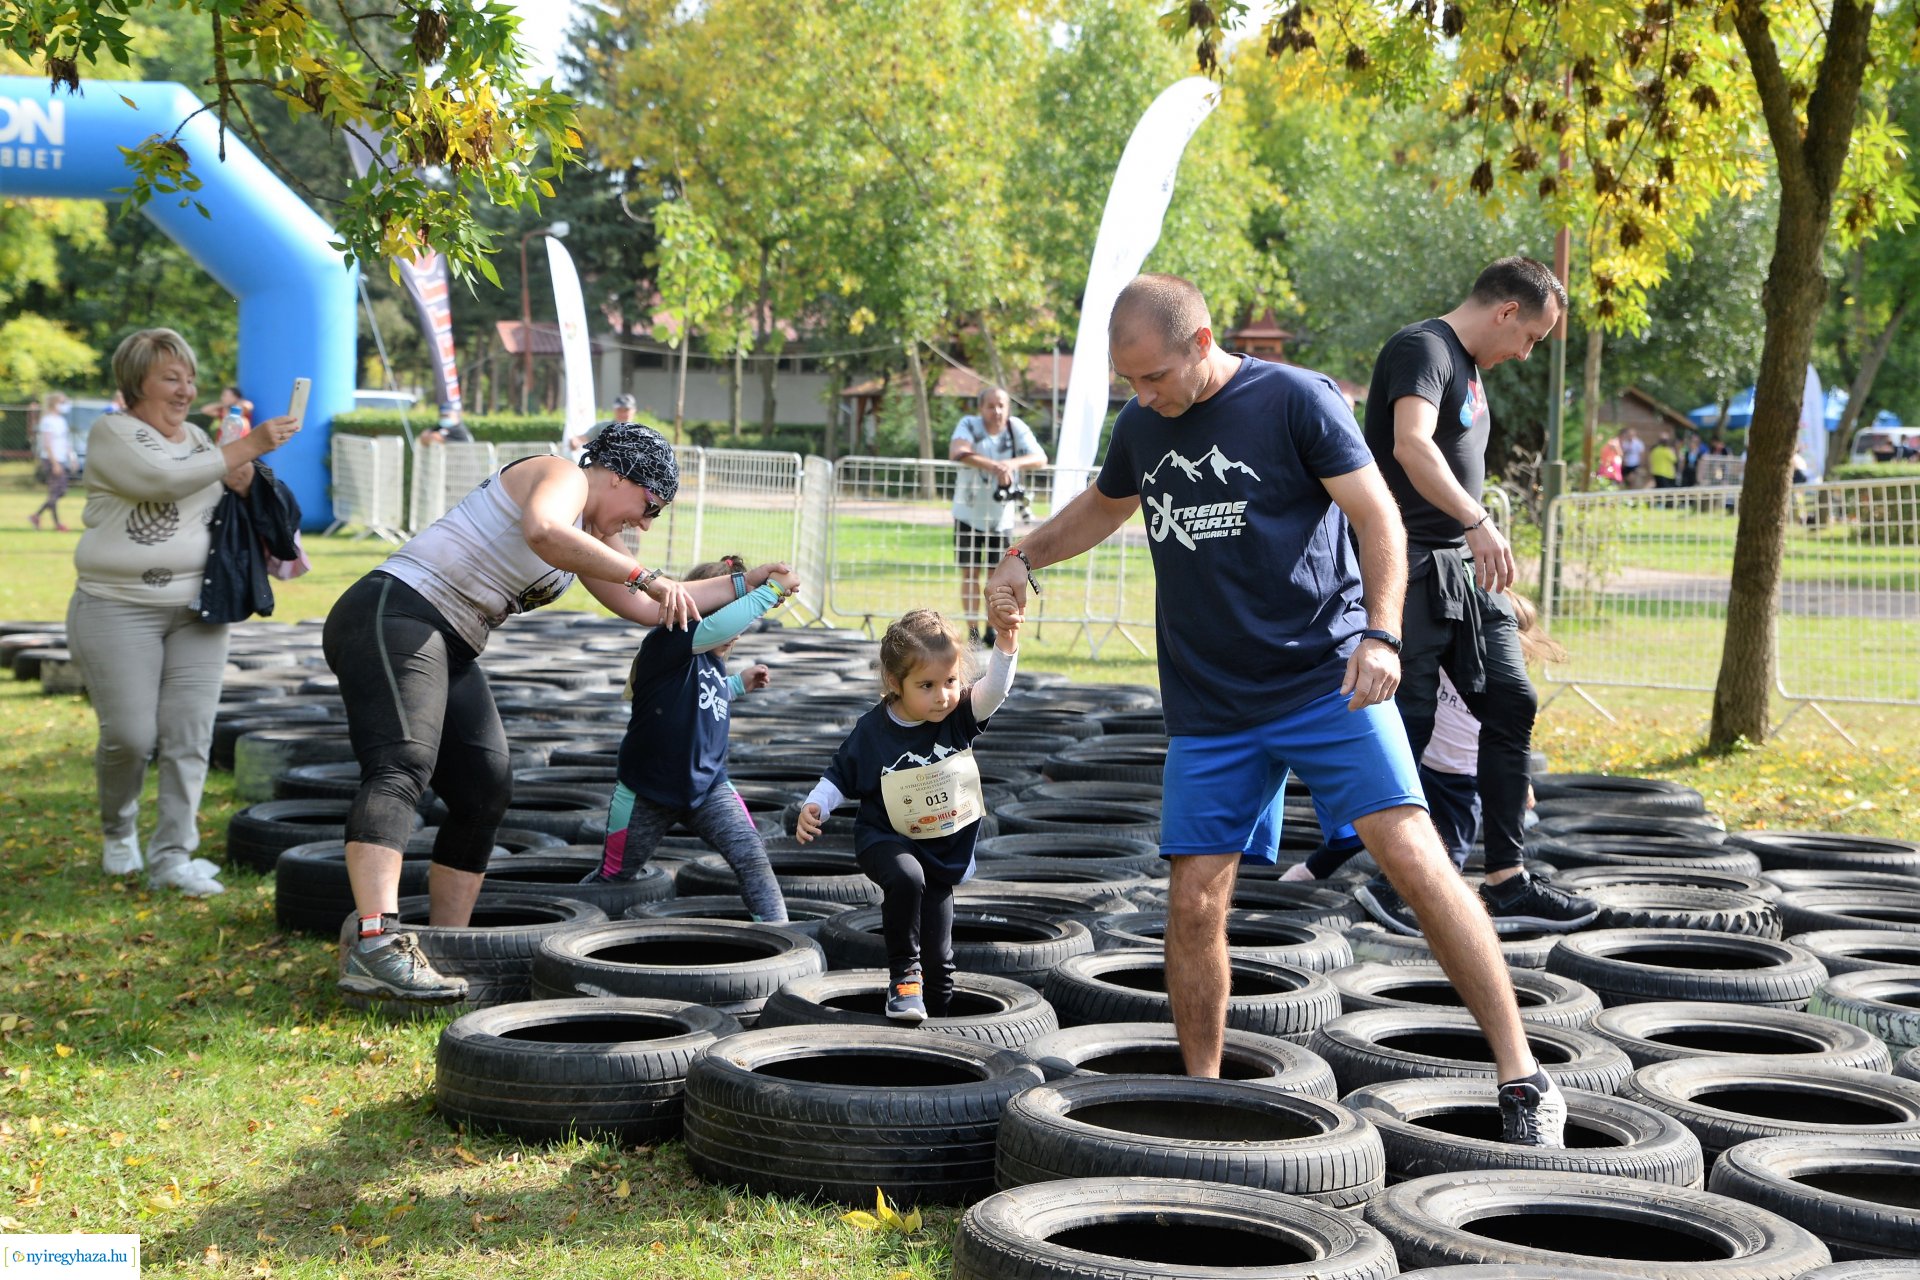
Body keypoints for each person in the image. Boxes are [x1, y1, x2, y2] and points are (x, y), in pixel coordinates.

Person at [984, 273, 1564, 1146]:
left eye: (1153, 377)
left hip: (1326, 680)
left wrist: (1380, 634)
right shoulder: (1143, 426)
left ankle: (1523, 1076)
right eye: (1128, 382)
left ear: (1202, 340)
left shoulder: (1296, 401)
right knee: (1193, 902)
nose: (1143, 397)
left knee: (1414, 856)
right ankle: (1205, 1094)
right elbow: (1101, 511)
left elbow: (1380, 521)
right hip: (1212, 704)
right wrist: (1021, 556)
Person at [326, 421, 726, 1003]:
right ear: (617, 476)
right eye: (650, 506)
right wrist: (647, 574)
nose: (644, 523)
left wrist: (753, 586)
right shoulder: (559, 475)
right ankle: (377, 943)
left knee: (485, 789)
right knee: (402, 764)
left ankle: (442, 946)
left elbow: (648, 609)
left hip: (451, 638)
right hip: (394, 610)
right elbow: (544, 531)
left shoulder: (585, 535)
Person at [1351, 256, 1596, 940]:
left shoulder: (1471, 367)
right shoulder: (1422, 348)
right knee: (1415, 718)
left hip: (1464, 567)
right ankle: (1398, 883)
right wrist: (1479, 519)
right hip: (1413, 561)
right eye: (1531, 338)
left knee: (1511, 701)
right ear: (1507, 311)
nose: (1526, 353)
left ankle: (1508, 881)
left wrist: (1473, 530)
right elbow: (1411, 446)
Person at [66, 329, 300, 895]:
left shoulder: (198, 436)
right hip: (116, 608)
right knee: (128, 735)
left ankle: (173, 855)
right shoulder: (111, 432)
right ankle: (118, 830)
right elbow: (162, 482)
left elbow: (218, 491)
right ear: (135, 383)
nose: (185, 389)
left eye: (189, 377)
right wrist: (250, 445)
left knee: (189, 735)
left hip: (200, 607)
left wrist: (243, 483)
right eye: (171, 377)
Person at [793, 602, 1021, 1023]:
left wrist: (1006, 643)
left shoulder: (958, 717)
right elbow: (839, 775)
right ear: (895, 683)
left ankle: (935, 1030)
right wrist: (815, 806)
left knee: (940, 960)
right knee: (906, 877)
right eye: (928, 685)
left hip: (941, 851)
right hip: (885, 838)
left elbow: (994, 691)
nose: (943, 696)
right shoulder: (872, 730)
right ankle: (903, 976)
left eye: (951, 681)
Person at [581, 553, 802, 923]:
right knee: (614, 877)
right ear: (696, 609)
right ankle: (567, 921)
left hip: (709, 788)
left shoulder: (710, 659)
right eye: (725, 618)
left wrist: (738, 685)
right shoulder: (667, 642)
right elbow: (717, 628)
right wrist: (769, 592)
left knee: (751, 857)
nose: (734, 634)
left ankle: (781, 936)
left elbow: (697, 697)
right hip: (646, 792)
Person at [950, 387, 1046, 646]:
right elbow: (958, 451)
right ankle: (972, 631)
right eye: (990, 406)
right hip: (968, 512)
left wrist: (1010, 465)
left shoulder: (1016, 428)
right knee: (970, 573)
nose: (997, 411)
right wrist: (994, 467)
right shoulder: (969, 425)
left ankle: (993, 628)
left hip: (1001, 517)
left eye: (1002, 405)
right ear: (981, 408)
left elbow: (1040, 457)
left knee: (997, 576)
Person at [30, 391, 76, 531]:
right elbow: (47, 444)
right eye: (62, 402)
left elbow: (65, 442)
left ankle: (37, 516)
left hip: (61, 458)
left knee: (58, 492)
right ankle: (56, 524)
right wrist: (55, 463)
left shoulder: (61, 421)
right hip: (51, 459)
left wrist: (72, 457)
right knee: (56, 491)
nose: (64, 405)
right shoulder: (47, 421)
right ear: (54, 404)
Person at [568, 393, 639, 458]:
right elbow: (584, 437)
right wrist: (575, 441)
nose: (623, 414)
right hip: (603, 468)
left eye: (626, 410)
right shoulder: (602, 427)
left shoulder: (641, 431)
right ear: (614, 410)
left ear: (634, 410)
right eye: (619, 410)